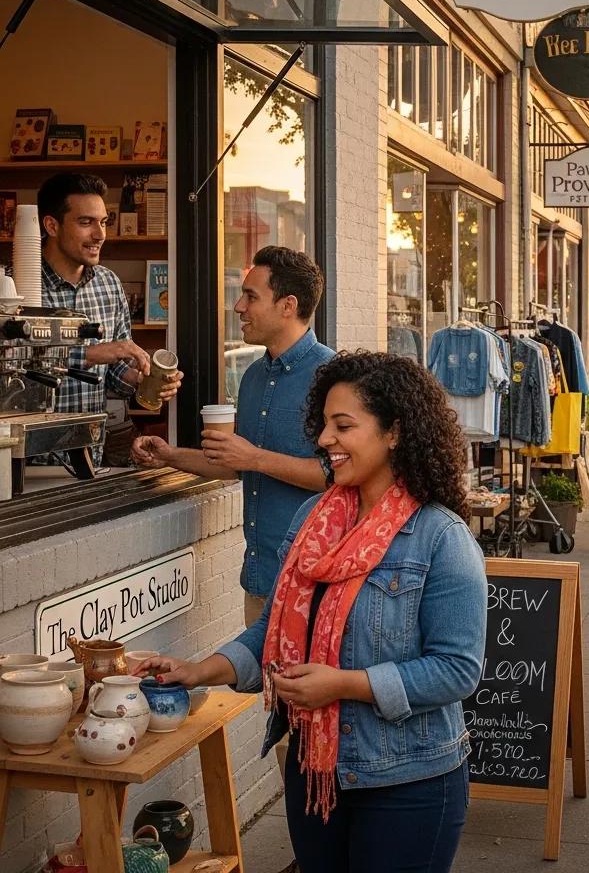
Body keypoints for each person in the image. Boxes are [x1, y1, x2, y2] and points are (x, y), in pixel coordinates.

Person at [134, 352, 487, 873]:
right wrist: (196, 672)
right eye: (323, 425)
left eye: (343, 426)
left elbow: (458, 669)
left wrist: (344, 684)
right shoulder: (313, 519)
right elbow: (274, 630)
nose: (324, 440)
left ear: (394, 433)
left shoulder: (441, 538)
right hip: (313, 771)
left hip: (407, 780)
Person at [133, 246, 334, 624]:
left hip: (314, 585)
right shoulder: (254, 376)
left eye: (251, 297)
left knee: (302, 685)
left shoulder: (334, 376)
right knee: (264, 685)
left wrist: (253, 457)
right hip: (259, 580)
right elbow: (235, 465)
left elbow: (339, 475)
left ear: (288, 306)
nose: (239, 307)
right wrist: (168, 455)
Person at [37, 173, 183, 462]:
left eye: (103, 222)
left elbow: (114, 376)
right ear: (51, 225)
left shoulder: (109, 284)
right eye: (85, 222)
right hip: (27, 464)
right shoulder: (17, 285)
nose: (100, 234)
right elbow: (10, 368)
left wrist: (145, 380)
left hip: (90, 461)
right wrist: (89, 355)